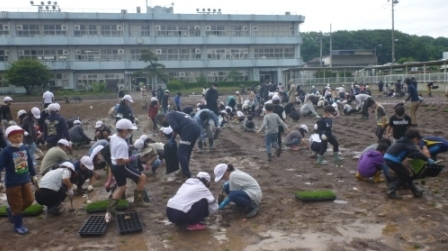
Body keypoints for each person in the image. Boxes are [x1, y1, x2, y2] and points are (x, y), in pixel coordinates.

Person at [106, 119, 150, 223]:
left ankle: (111, 209)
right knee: (142, 177)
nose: (131, 133)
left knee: (122, 187)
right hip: (121, 167)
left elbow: (116, 153)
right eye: (130, 131)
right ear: (124, 131)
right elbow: (120, 161)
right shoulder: (122, 143)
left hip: (113, 166)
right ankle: (138, 201)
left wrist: (129, 148)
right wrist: (131, 159)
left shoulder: (114, 137)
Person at [0, 126, 37, 234]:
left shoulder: (24, 148)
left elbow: (30, 162)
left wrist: (33, 175)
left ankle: (12, 211)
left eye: (19, 136)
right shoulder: (6, 152)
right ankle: (18, 225)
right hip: (12, 182)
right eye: (14, 137)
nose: (17, 139)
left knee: (29, 199)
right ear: (8, 138)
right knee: (17, 204)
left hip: (25, 179)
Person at [384, 129, 434, 199]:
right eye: (417, 140)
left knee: (406, 175)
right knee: (404, 177)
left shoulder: (402, 140)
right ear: (415, 138)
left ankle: (416, 191)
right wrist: (427, 159)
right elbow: (415, 153)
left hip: (388, 157)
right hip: (393, 160)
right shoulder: (409, 143)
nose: (417, 142)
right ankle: (391, 191)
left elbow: (408, 153)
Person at [155, 111, 201, 179]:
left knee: (180, 153)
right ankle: (184, 171)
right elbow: (178, 127)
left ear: (162, 118)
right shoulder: (174, 113)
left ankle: (186, 174)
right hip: (196, 129)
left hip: (189, 130)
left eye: (161, 123)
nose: (163, 124)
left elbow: (176, 128)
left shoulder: (168, 115)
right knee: (186, 152)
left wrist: (172, 138)